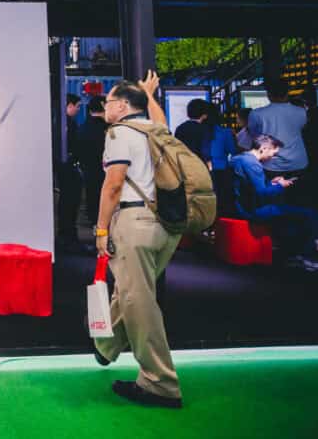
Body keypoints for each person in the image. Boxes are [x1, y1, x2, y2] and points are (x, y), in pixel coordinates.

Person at [93, 70, 183, 409]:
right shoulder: (154, 129)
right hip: (166, 226)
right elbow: (159, 120)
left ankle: (160, 383)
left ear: (121, 105)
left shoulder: (119, 133)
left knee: (139, 303)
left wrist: (101, 229)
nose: (105, 107)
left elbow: (113, 185)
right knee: (132, 292)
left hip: (135, 222)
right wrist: (149, 95)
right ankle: (106, 346)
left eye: (108, 101)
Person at [230, 135, 318, 270]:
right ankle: (307, 256)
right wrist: (280, 186)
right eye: (273, 153)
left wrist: (271, 183)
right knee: (311, 214)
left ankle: (297, 254)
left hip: (241, 205)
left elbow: (251, 187)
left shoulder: (238, 158)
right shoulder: (253, 164)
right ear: (264, 148)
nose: (273, 157)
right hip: (252, 210)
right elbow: (262, 194)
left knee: (294, 215)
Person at [248, 79, 309, 205]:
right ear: (288, 93)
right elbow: (302, 129)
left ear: (268, 94)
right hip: (299, 162)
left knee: (274, 202)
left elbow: (254, 135)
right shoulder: (301, 112)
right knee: (297, 202)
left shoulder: (257, 114)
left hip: (270, 164)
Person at [56, 93, 83, 250]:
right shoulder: (68, 124)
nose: (79, 109)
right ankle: (68, 236)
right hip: (68, 170)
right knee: (69, 202)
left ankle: (65, 234)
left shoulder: (60, 122)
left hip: (65, 169)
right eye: (78, 106)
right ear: (69, 106)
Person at [78, 95, 108, 232]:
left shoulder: (83, 127)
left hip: (89, 170)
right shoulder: (109, 130)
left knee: (92, 199)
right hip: (106, 172)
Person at [204, 103, 238, 216]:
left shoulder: (199, 131)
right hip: (221, 170)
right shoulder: (225, 132)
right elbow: (232, 150)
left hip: (203, 169)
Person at [174, 98, 210, 164]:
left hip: (183, 165)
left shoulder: (180, 128)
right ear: (204, 115)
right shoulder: (204, 129)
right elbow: (205, 152)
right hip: (199, 165)